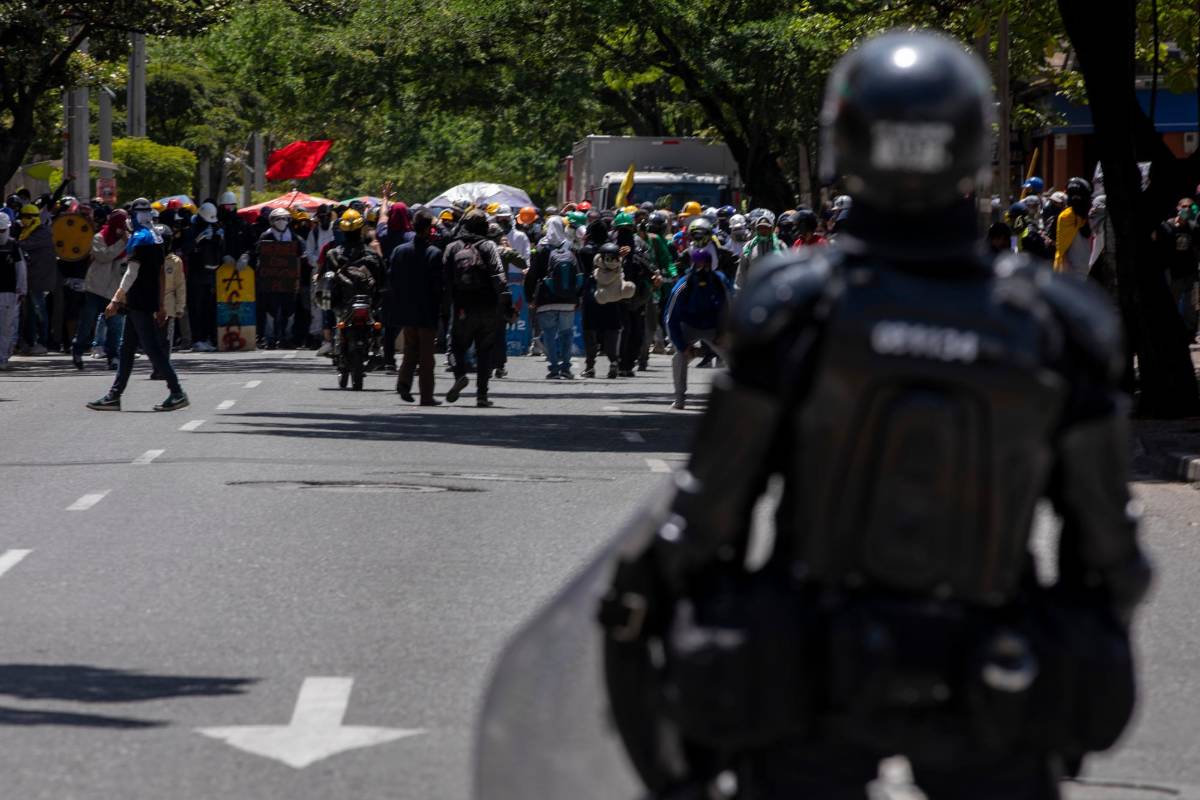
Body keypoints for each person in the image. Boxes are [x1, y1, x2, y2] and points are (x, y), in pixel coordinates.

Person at [595, 30, 1150, 799]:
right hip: (995, 667)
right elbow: (1113, 553)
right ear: (969, 148)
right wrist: (1059, 656)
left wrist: (656, 599)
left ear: (845, 142)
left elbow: (711, 513)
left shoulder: (796, 303)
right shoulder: (1055, 320)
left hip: (811, 670)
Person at [87, 198, 188, 412]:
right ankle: (114, 395)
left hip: (139, 302)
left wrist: (116, 299)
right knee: (126, 349)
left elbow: (131, 274)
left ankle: (177, 391)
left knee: (151, 348)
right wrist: (160, 305)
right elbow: (161, 274)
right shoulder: (156, 237)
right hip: (144, 302)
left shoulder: (139, 239)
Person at [443, 210, 510, 406]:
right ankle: (482, 395)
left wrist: (445, 310)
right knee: (485, 350)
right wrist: (505, 304)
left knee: (456, 346)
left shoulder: (452, 247)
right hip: (488, 306)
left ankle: (460, 375)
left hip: (462, 306)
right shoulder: (489, 245)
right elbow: (500, 277)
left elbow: (445, 281)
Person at [663, 247, 732, 409]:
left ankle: (741, 399)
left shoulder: (719, 281)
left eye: (705, 264)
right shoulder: (683, 285)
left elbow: (730, 308)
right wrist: (682, 345)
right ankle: (680, 397)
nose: (701, 268)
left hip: (713, 327)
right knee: (678, 357)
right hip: (689, 326)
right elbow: (670, 318)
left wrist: (724, 333)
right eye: (697, 264)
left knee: (737, 356)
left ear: (711, 264)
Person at [390, 210, 444, 405]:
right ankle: (427, 396)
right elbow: (438, 287)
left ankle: (404, 383)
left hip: (407, 310)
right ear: (429, 229)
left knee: (410, 350)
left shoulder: (400, 251)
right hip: (426, 312)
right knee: (426, 357)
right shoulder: (434, 253)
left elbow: (393, 280)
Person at [526, 215, 582, 379]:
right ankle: (566, 366)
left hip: (545, 299)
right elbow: (579, 274)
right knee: (566, 333)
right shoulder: (570, 247)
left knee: (549, 334)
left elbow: (532, 275)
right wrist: (577, 297)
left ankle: (553, 367)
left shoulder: (541, 249)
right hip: (567, 300)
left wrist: (529, 297)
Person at [72, 209, 128, 370]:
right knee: (87, 323)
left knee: (115, 326)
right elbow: (104, 256)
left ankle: (113, 356)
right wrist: (121, 243)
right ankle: (78, 351)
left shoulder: (128, 241)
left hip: (115, 291)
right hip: (95, 288)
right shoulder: (99, 238)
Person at [249, 208, 304, 349]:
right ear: (272, 221)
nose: (281, 221)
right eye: (278, 219)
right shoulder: (265, 236)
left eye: (284, 218)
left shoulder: (293, 237)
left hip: (289, 281)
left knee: (289, 311)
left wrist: (297, 279)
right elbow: (259, 256)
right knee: (271, 311)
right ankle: (270, 338)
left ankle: (287, 338)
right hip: (271, 282)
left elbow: (299, 257)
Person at [611, 211, 656, 377]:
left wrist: (656, 276)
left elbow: (651, 266)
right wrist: (617, 257)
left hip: (637, 297)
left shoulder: (641, 245)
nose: (624, 233)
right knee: (623, 331)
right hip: (617, 297)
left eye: (627, 230)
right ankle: (617, 362)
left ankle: (629, 364)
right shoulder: (610, 246)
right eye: (621, 230)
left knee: (637, 332)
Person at [1159, 197, 1199, 340]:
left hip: (1189, 272)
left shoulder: (1193, 227)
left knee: (1190, 304)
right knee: (1172, 303)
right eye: (1184, 206)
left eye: (1190, 207)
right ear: (1178, 207)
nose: (1186, 210)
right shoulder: (1168, 226)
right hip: (1174, 271)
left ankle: (1189, 332)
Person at [16, 204, 54, 355]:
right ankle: (31, 341)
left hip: (40, 279)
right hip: (30, 279)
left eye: (26, 217)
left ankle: (42, 342)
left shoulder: (42, 232)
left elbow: (23, 246)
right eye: (22, 216)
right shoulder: (26, 231)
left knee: (40, 311)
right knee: (30, 312)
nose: (23, 220)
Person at [0, 214, 27, 370]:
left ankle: (3, 357)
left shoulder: (13, 246)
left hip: (9, 293)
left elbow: (20, 269)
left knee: (6, 327)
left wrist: (21, 289)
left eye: (2, 230)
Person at [1053, 177, 1093, 277]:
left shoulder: (1091, 216)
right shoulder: (1067, 217)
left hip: (1084, 272)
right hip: (1075, 273)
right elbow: (1063, 249)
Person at [736, 209, 783, 289]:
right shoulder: (749, 247)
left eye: (766, 228)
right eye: (760, 228)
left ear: (771, 229)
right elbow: (742, 271)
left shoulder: (780, 245)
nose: (763, 230)